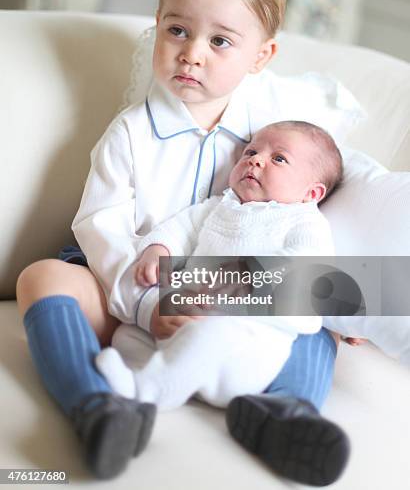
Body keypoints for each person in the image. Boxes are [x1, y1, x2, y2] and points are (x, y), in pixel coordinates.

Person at [16, 0, 344, 485]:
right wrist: (149, 303)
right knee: (43, 277)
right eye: (177, 30)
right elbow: (101, 227)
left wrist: (355, 302)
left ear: (260, 57)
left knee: (320, 322)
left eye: (220, 41)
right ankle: (97, 406)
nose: (192, 53)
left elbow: (321, 191)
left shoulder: (276, 134)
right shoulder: (131, 133)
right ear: (158, 25)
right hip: (129, 286)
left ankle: (284, 414)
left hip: (231, 294)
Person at [95, 120, 344, 416]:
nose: (255, 159)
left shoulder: (304, 223)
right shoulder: (219, 205)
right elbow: (180, 228)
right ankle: (140, 373)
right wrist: (157, 250)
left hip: (244, 346)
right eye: (251, 151)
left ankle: (148, 391)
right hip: (182, 321)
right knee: (129, 334)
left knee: (212, 335)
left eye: (279, 158)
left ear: (311, 194)